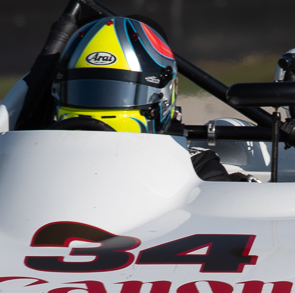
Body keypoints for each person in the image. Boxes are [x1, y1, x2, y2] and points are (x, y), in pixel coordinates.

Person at [48, 15, 250, 180]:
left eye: (117, 92)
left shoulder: (194, 168)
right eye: (85, 91)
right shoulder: (39, 155)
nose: (99, 105)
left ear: (162, 96)